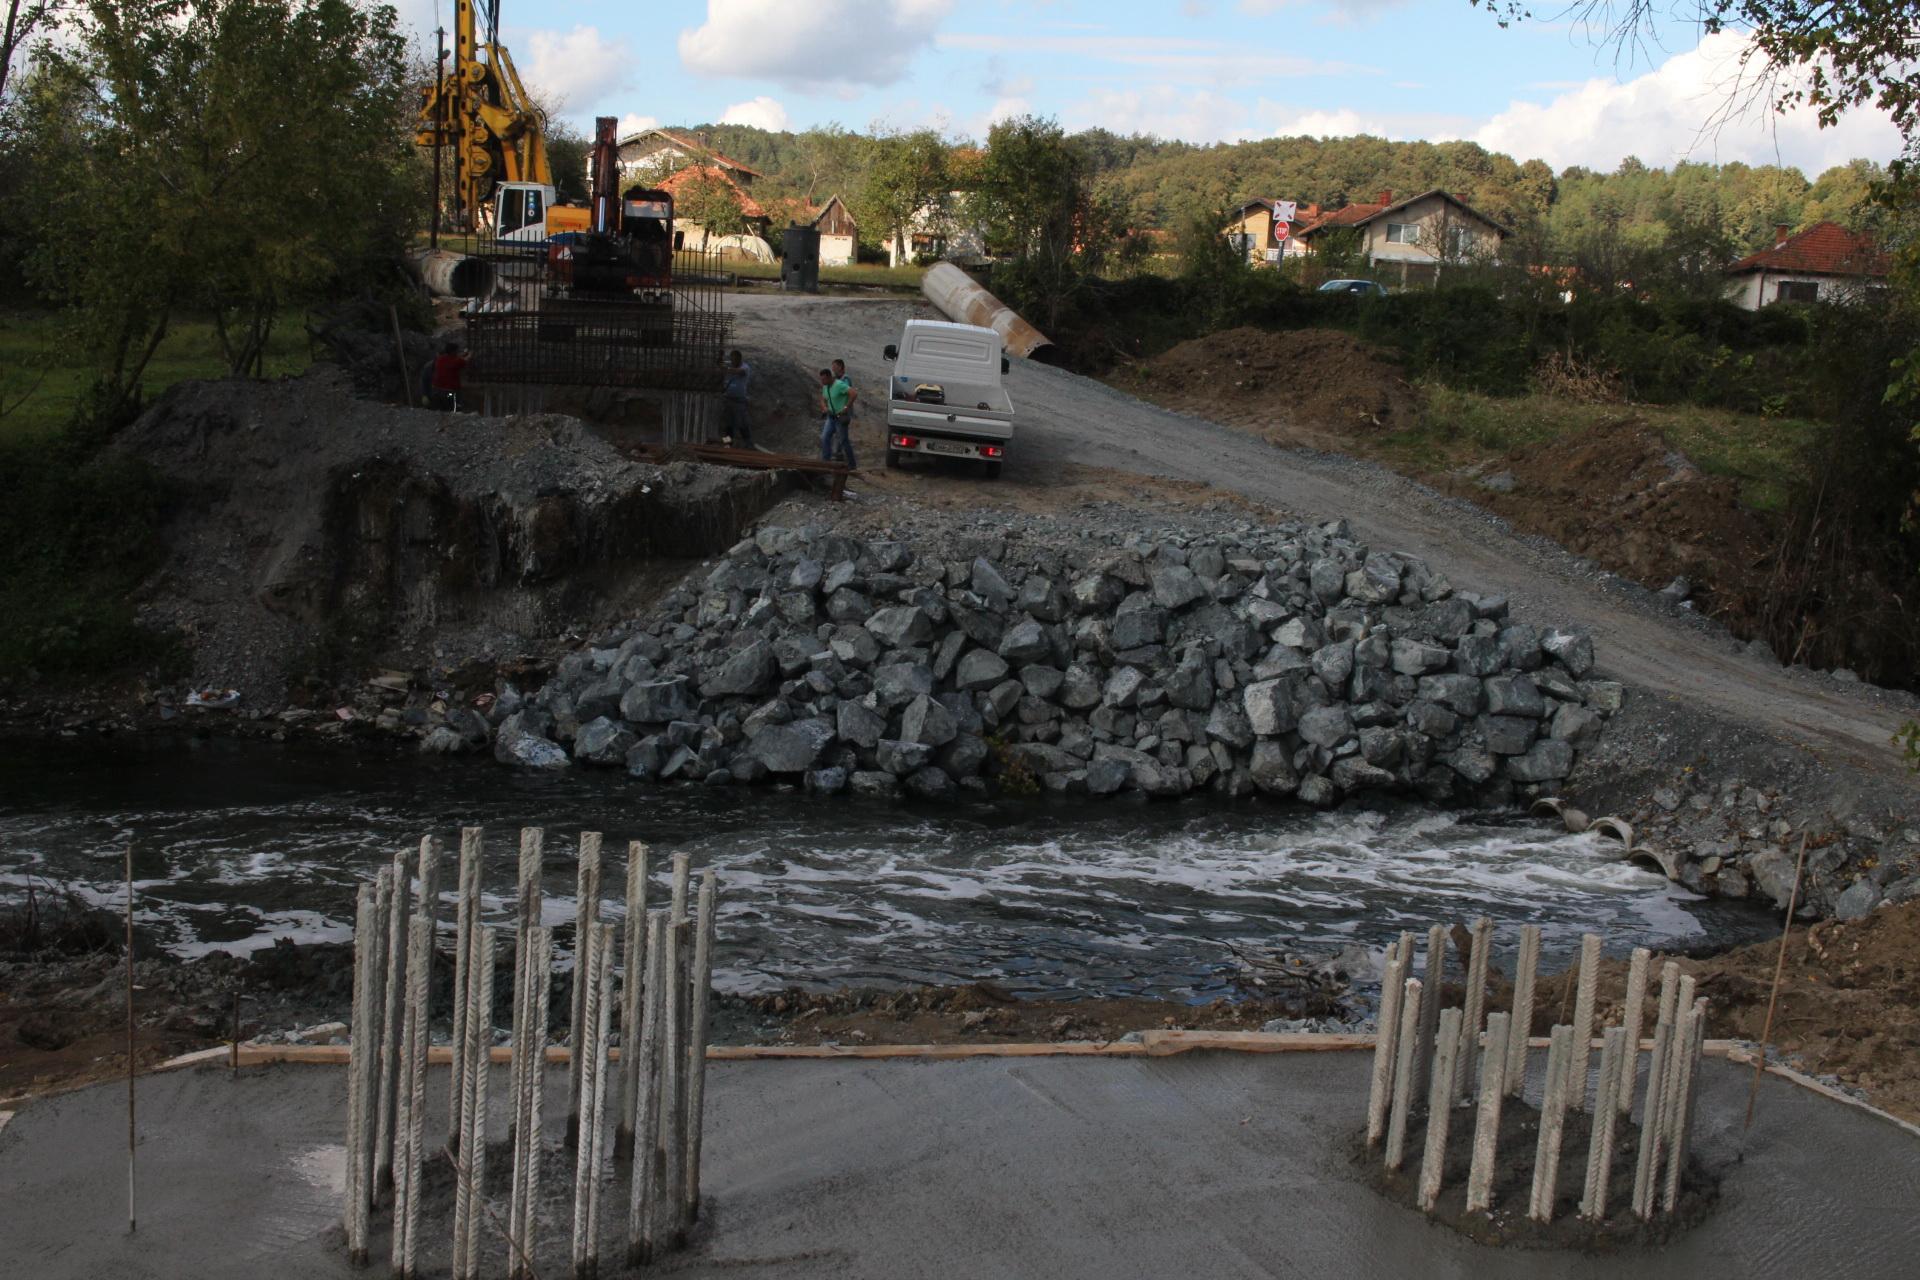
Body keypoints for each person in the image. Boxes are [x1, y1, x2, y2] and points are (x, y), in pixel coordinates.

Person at [819, 364, 856, 470]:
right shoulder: (826, 386)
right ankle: (826, 462)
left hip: (840, 417)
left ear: (829, 377)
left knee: (844, 441)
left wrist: (846, 407)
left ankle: (852, 464)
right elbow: (822, 398)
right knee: (825, 437)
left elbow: (853, 393)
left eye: (824, 379)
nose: (822, 382)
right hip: (831, 417)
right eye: (821, 379)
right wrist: (824, 407)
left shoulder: (839, 384)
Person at [721, 349, 754, 448]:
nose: (733, 361)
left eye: (735, 359)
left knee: (742, 424)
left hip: (739, 401)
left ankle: (748, 444)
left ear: (739, 359)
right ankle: (727, 444)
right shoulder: (730, 365)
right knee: (728, 425)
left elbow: (741, 372)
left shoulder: (745, 367)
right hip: (728, 400)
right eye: (732, 359)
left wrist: (726, 368)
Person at [429, 342, 467, 412]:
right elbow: (465, 360)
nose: (457, 353)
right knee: (454, 408)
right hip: (449, 393)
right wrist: (471, 354)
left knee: (441, 410)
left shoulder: (440, 359)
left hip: (437, 391)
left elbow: (457, 358)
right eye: (456, 351)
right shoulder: (457, 361)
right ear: (453, 352)